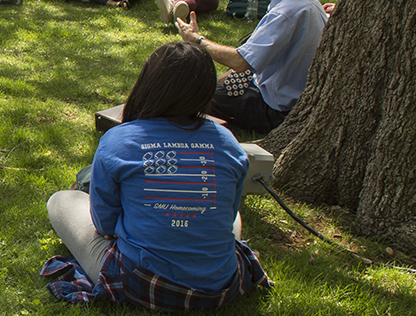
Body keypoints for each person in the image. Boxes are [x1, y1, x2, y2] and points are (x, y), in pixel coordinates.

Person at [43, 42, 270, 311]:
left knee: (61, 200)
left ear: (148, 82)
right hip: (218, 285)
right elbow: (229, 210)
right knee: (234, 218)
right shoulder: (228, 142)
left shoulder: (118, 139)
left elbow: (103, 225)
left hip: (141, 283)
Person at [175, 0, 326, 134]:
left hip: (274, 108)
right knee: (209, 84)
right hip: (285, 95)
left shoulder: (286, 13)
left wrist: (196, 40)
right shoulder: (306, 3)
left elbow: (240, 62)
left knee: (187, 93)